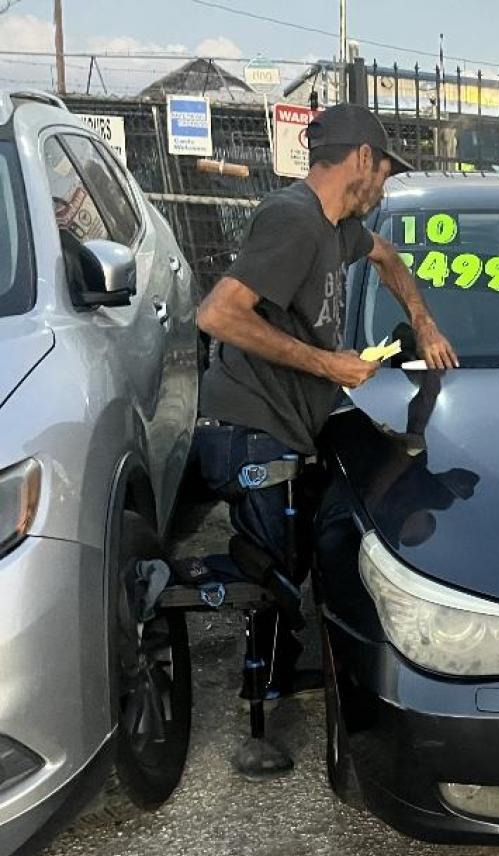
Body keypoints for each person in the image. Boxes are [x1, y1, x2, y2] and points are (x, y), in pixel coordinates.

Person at [194, 104, 456, 768]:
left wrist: (422, 321)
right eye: (386, 172)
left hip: (285, 427)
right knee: (272, 575)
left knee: (293, 564)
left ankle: (279, 679)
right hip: (252, 430)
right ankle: (253, 729)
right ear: (362, 159)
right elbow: (219, 313)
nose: (386, 186)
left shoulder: (335, 227)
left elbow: (389, 257)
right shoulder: (292, 220)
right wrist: (328, 365)